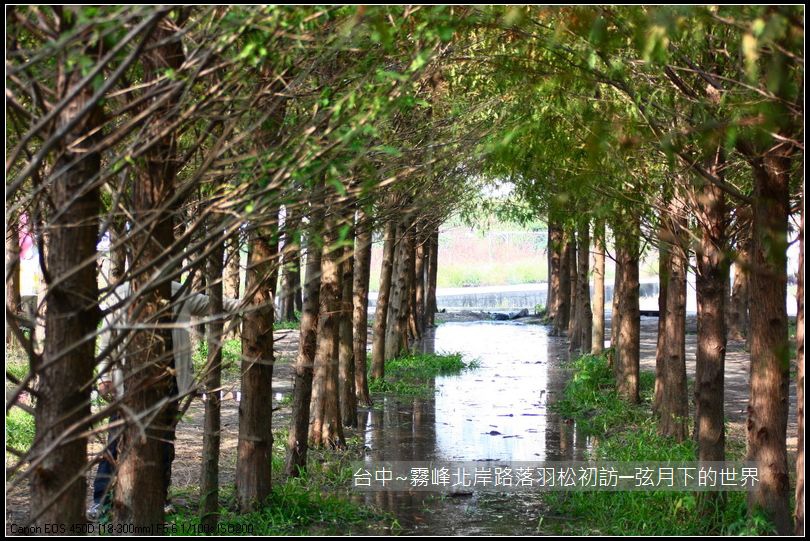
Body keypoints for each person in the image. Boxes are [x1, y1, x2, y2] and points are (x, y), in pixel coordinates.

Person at [89, 280, 240, 520]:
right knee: (116, 440)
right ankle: (102, 499)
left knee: (164, 441)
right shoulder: (122, 293)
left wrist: (246, 304)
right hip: (129, 384)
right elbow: (107, 338)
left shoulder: (176, 291)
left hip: (170, 384)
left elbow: (211, 304)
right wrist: (105, 376)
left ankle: (160, 496)